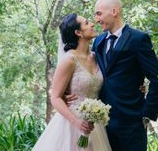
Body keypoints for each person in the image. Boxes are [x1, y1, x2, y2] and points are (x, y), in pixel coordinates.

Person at [93, 0, 158, 151]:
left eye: (99, 13)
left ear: (114, 11)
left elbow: (157, 79)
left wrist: (147, 113)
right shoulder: (98, 42)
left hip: (132, 122)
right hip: (102, 124)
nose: (96, 19)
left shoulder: (138, 39)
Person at [32, 13, 112, 151]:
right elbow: (55, 97)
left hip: (96, 124)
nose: (92, 24)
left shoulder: (96, 57)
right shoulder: (69, 60)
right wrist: (77, 122)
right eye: (87, 23)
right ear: (78, 32)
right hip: (72, 123)